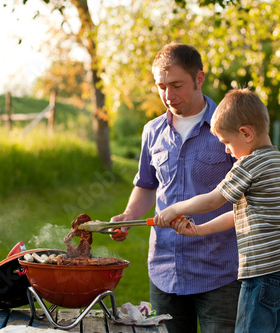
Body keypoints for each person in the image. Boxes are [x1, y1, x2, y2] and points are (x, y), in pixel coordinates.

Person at [155, 88, 280, 333]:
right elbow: (238, 214)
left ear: (246, 133)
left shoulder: (248, 164)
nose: (227, 150)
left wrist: (173, 208)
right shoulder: (278, 161)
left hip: (265, 269)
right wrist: (199, 230)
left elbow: (212, 200)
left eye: (227, 143)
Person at [110, 42, 240, 333]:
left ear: (199, 79)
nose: (168, 95)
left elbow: (247, 196)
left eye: (177, 85)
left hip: (219, 272)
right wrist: (128, 216)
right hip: (165, 271)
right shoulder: (152, 131)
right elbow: (146, 185)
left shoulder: (230, 128)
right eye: (161, 86)